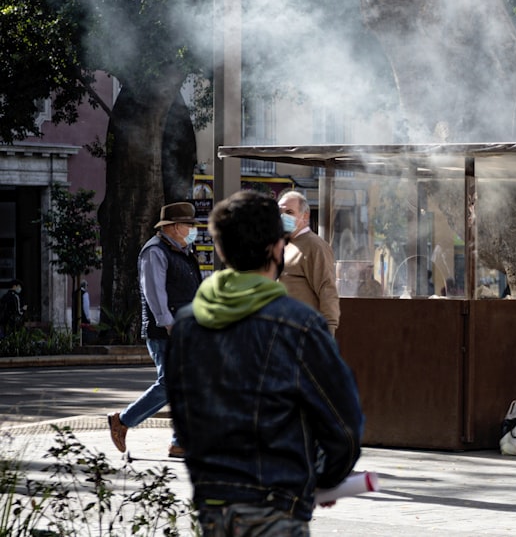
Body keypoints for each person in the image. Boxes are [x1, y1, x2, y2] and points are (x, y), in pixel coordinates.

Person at [165, 190, 364, 535]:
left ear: (222, 250)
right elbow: (344, 425)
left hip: (213, 505)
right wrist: (324, 479)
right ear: (276, 248)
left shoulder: (187, 324)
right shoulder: (300, 325)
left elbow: (183, 420)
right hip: (277, 506)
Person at [108, 202, 202, 458]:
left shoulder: (183, 250)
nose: (192, 229)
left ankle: (179, 442)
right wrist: (169, 324)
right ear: (173, 226)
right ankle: (123, 421)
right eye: (188, 224)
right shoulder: (155, 251)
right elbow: (154, 292)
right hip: (166, 331)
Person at [277, 190, 341, 336]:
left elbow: (327, 289)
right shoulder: (285, 245)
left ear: (305, 216)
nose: (283, 217)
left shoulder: (315, 246)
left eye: (289, 212)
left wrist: (328, 333)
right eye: (280, 212)